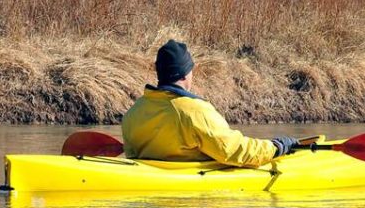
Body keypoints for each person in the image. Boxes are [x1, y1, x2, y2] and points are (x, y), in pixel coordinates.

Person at [121, 39, 297, 166]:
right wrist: (274, 147)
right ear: (184, 73)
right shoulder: (194, 111)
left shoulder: (134, 112)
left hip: (149, 181)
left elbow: (132, 155)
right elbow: (233, 150)